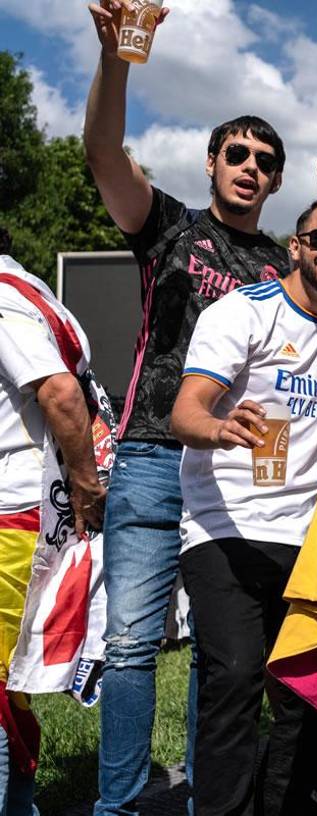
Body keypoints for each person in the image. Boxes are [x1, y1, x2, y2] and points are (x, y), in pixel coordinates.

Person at [83, 2, 290, 809]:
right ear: (212, 162)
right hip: (150, 456)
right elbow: (103, 153)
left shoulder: (281, 264)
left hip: (237, 471)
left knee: (225, 655)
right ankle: (120, 803)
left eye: (263, 159)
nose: (248, 165)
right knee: (132, 644)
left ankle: (217, 799)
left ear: (275, 179)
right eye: (235, 152)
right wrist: (115, 60)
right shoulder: (169, 227)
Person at [169, 194, 317, 815]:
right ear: (296, 246)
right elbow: (185, 411)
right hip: (226, 528)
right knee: (233, 681)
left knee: (305, 695)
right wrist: (221, 428)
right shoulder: (241, 313)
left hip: (305, 537)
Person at [0, 237, 106, 814]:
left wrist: (87, 483)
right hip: (33, 510)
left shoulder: (1, 299)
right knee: (9, 686)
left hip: (10, 516)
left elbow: (61, 393)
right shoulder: (33, 289)